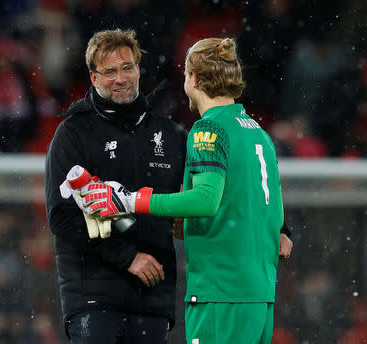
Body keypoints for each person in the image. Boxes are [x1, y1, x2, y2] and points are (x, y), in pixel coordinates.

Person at [77, 37, 291, 343]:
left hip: (220, 292)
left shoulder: (209, 129)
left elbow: (205, 200)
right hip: (259, 293)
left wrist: (128, 199)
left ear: (193, 79)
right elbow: (272, 214)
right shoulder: (259, 134)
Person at [45, 29, 187, 343]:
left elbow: (206, 191)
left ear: (138, 69)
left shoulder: (171, 134)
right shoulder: (73, 134)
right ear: (94, 79)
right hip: (93, 298)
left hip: (154, 298)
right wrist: (127, 257)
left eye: (127, 68)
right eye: (109, 71)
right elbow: (62, 217)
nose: (120, 78)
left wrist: (281, 228)